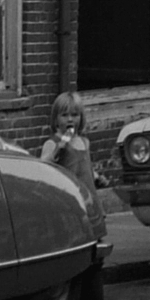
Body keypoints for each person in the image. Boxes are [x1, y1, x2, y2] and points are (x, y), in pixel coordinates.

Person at [38, 91, 105, 237]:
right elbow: (43, 167)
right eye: (64, 115)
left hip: (90, 202)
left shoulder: (84, 142)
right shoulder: (53, 143)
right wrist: (57, 151)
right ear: (56, 120)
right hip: (70, 202)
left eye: (74, 115)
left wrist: (96, 177)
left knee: (95, 237)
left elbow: (85, 167)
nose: (70, 119)